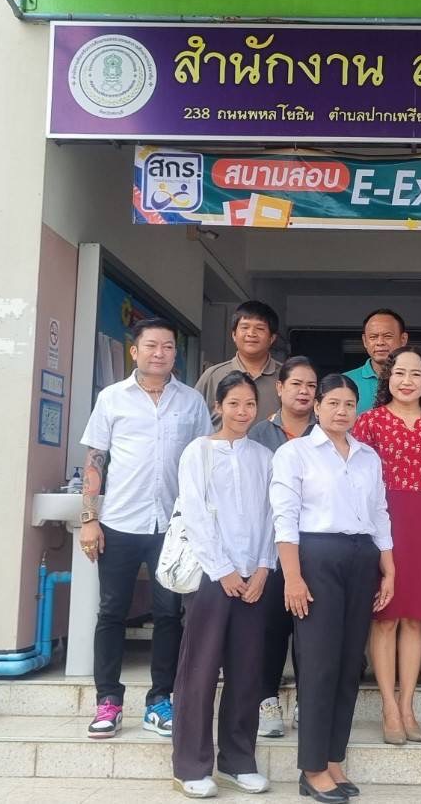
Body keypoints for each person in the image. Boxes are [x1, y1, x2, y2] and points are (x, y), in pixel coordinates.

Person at [79, 317, 212, 739]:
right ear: (134, 351)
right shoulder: (112, 399)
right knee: (111, 612)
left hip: (171, 527)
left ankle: (160, 700)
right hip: (119, 521)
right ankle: (108, 700)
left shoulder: (191, 402)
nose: (160, 353)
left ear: (176, 354)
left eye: (168, 346)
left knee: (170, 614)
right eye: (151, 345)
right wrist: (90, 519)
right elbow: (95, 461)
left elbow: (205, 460)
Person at [271, 374, 396, 804]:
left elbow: (380, 513)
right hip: (316, 558)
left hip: (361, 559)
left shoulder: (367, 457)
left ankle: (333, 757)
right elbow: (284, 517)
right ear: (318, 405)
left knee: (348, 664)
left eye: (349, 404)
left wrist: (389, 568)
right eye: (333, 403)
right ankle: (311, 767)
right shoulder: (295, 453)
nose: (341, 411)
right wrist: (292, 576)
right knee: (320, 664)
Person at [172, 371, 275, 798]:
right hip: (212, 578)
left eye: (249, 404)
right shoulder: (197, 452)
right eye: (234, 403)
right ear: (218, 406)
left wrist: (264, 568)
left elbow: (272, 515)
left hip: (254, 579)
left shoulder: (264, 457)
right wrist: (223, 570)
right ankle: (190, 766)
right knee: (199, 671)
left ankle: (238, 761)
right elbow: (194, 514)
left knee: (246, 672)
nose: (242, 411)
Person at [352, 347, 421, 745]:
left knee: (414, 618)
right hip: (384, 523)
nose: (407, 381)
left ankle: (408, 705)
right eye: (399, 373)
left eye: (416, 373)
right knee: (385, 617)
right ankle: (388, 707)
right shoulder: (370, 422)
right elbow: (358, 482)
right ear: (388, 379)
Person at [248, 356, 318, 738]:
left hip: (315, 547)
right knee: (270, 629)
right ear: (279, 387)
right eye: (296, 384)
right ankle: (267, 701)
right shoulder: (259, 434)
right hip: (269, 548)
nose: (304, 392)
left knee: (310, 629)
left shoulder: (326, 433)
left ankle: (308, 701)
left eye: (311, 385)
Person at [195, 300, 282, 427]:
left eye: (260, 328)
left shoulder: (287, 377)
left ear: (272, 338)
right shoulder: (212, 376)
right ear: (234, 335)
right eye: (245, 327)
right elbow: (193, 421)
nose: (251, 334)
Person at [343, 309, 409, 415]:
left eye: (387, 336)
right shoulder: (345, 381)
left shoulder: (415, 381)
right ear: (365, 341)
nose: (380, 342)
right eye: (373, 337)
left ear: (403, 339)